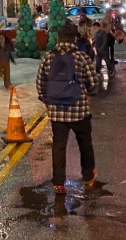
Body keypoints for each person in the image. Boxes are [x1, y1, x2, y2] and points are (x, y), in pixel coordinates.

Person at [36, 25, 99, 194]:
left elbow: (40, 82)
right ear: (74, 39)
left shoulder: (48, 57)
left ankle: (58, 183)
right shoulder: (81, 57)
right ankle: (88, 175)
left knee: (59, 146)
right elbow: (93, 82)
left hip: (57, 111)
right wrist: (90, 93)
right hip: (79, 110)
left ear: (58, 38)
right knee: (85, 143)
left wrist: (47, 100)